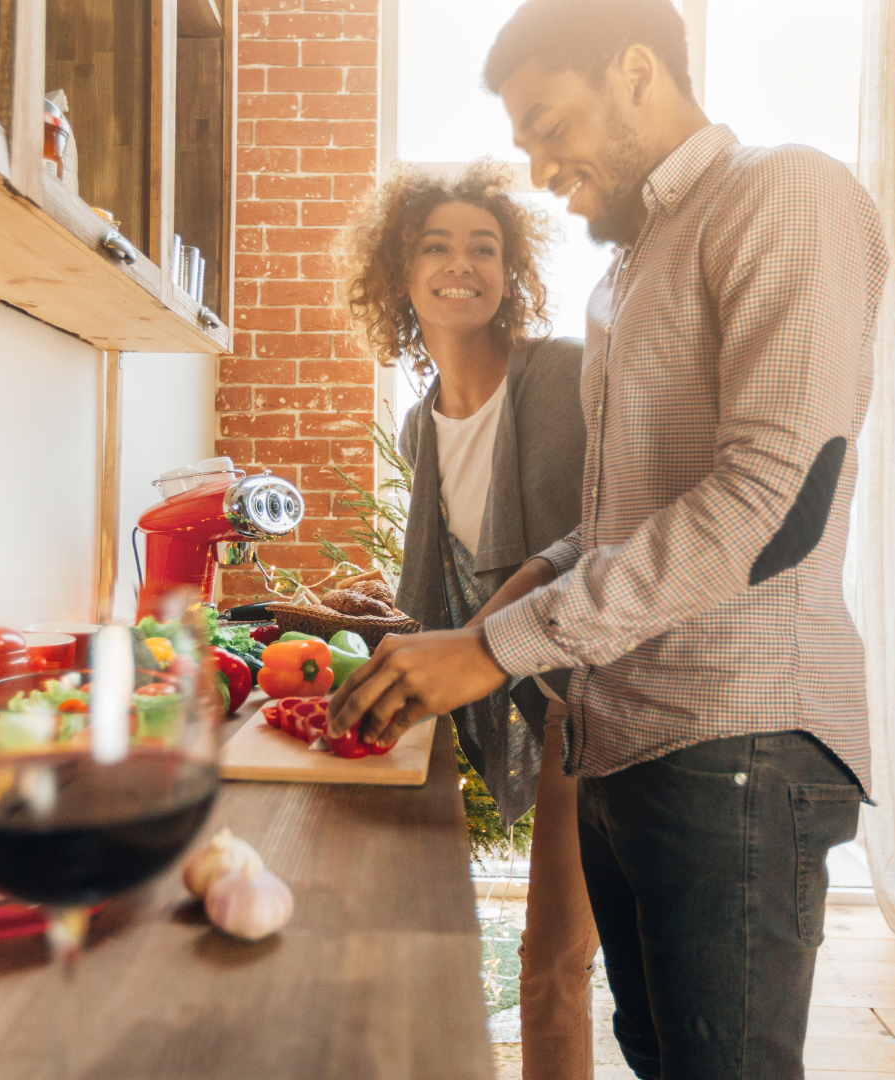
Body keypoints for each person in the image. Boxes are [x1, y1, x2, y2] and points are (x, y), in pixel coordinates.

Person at [328, 1, 889, 1078]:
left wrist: (491, 648)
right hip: (627, 737)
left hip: (737, 738)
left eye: (548, 123)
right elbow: (619, 525)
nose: (538, 168)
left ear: (636, 69)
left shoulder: (783, 191)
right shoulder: (631, 269)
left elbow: (773, 502)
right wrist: (511, 602)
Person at [343, 162, 599, 1079]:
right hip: (537, 692)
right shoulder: (422, 424)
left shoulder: (563, 373)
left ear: (511, 270)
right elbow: (447, 577)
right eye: (437, 247)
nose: (463, 265)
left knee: (552, 968)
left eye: (484, 248)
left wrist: (476, 634)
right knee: (549, 966)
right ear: (400, 273)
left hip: (600, 700)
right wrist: (376, 615)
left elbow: (600, 535)